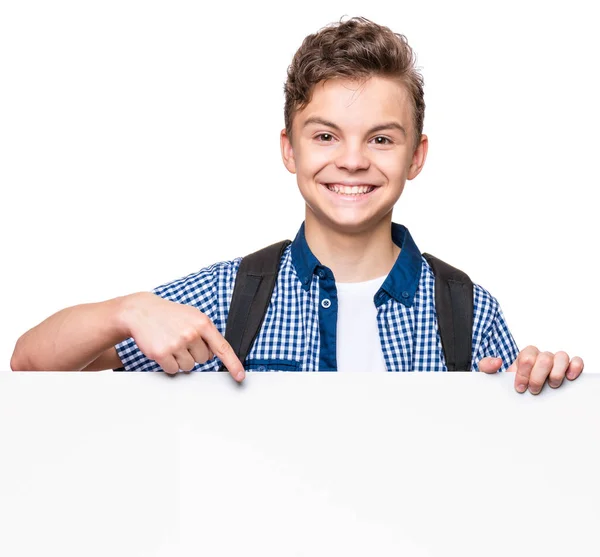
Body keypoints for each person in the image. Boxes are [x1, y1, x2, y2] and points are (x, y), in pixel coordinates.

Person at [10, 16, 584, 394]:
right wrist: (125, 310)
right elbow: (31, 364)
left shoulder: (467, 310)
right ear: (289, 148)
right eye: (326, 135)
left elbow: (509, 477)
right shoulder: (226, 298)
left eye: (381, 138)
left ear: (417, 155)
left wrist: (543, 390)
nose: (354, 160)